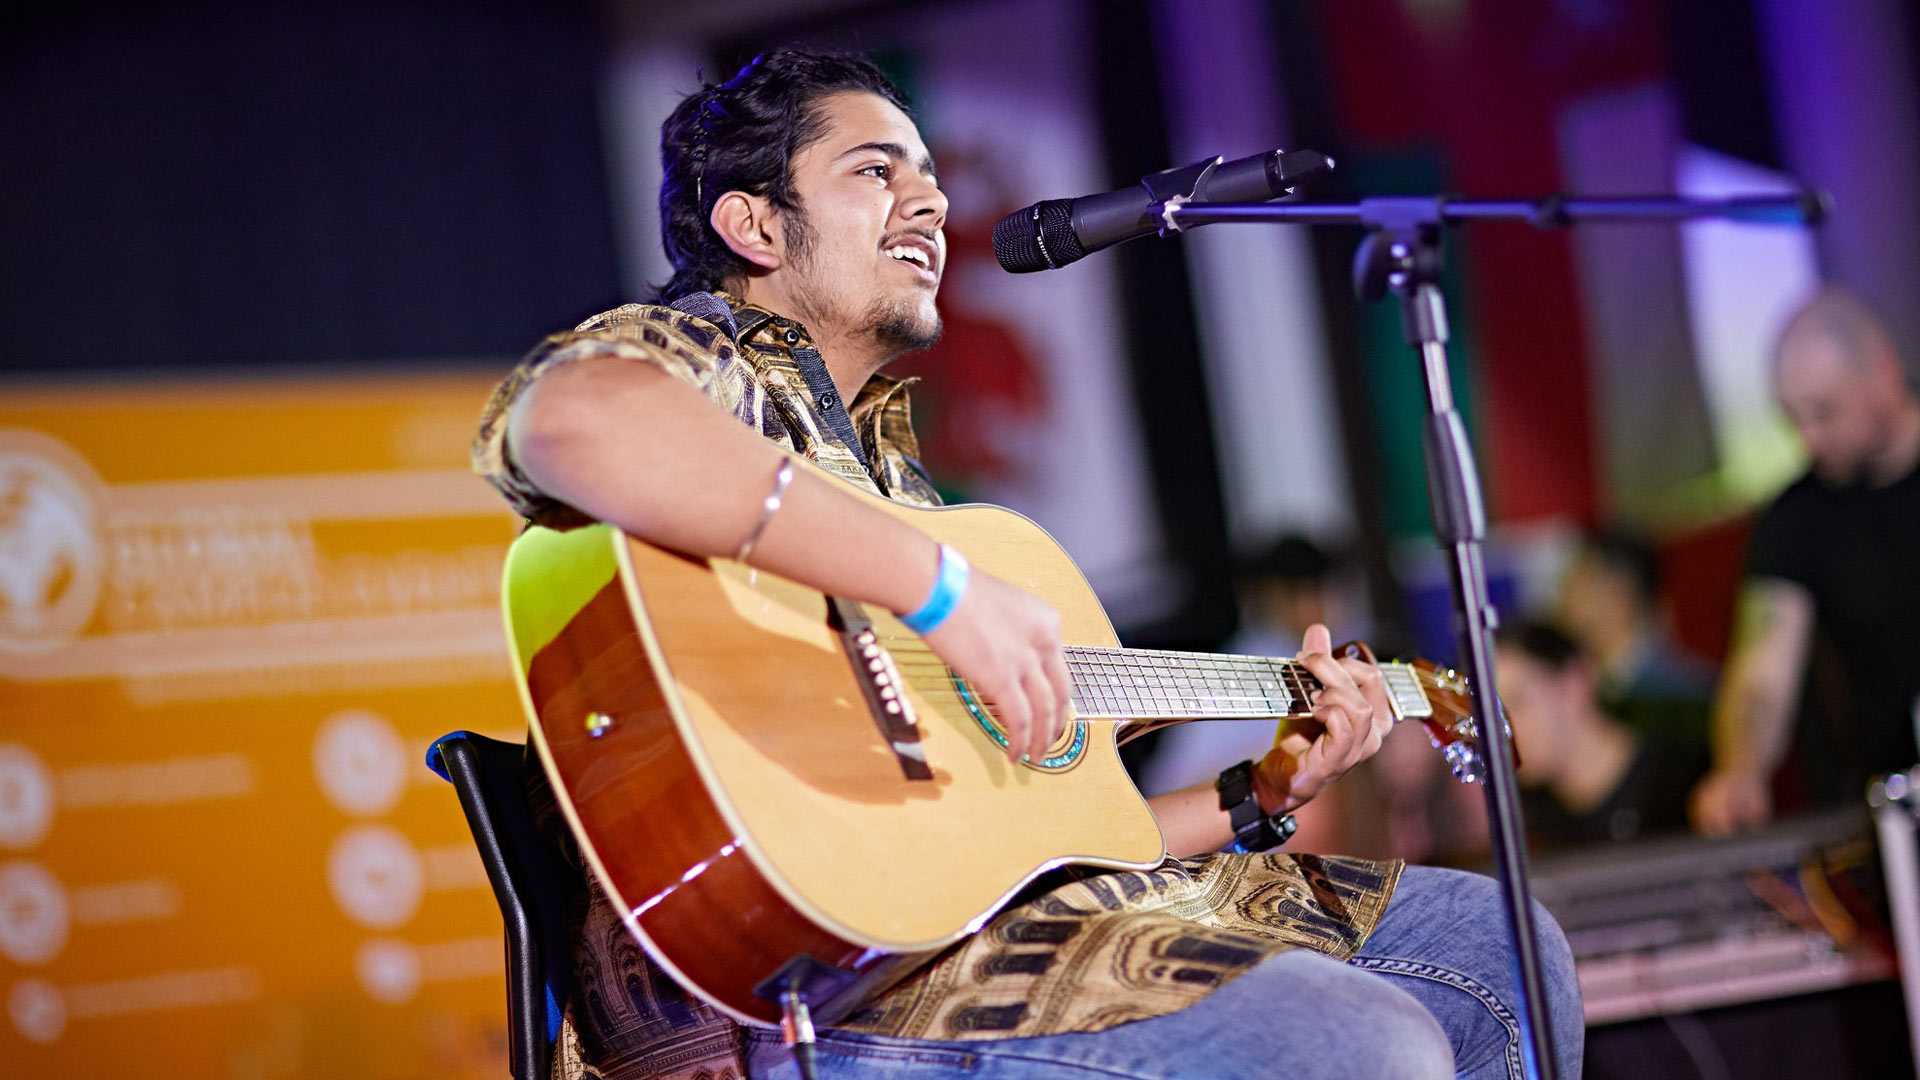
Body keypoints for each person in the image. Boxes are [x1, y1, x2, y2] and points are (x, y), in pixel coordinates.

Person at [472, 49, 1581, 1080]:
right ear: (755, 224)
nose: (932, 200)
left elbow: (1046, 841)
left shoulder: (898, 485)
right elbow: (566, 421)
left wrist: (1266, 790)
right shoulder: (706, 359)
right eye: (875, 170)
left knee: (1503, 949)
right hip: (793, 994)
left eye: (928, 174)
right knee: (1350, 1036)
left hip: (980, 936)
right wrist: (939, 592)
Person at [1692, 288, 1920, 835]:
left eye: (1825, 411)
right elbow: (1764, 668)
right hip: (1891, 815)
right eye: (1793, 418)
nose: (1809, 439)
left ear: (1883, 373)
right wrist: (1741, 770)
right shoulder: (1797, 516)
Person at [1495, 620, 1706, 849]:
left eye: (1517, 701)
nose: (1500, 728)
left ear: (1573, 684)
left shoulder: (1684, 788)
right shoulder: (1525, 820)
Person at [1556, 529, 1714, 756]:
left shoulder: (1688, 694)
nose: (1563, 599)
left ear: (1618, 592)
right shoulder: (1590, 689)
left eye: (1575, 582)